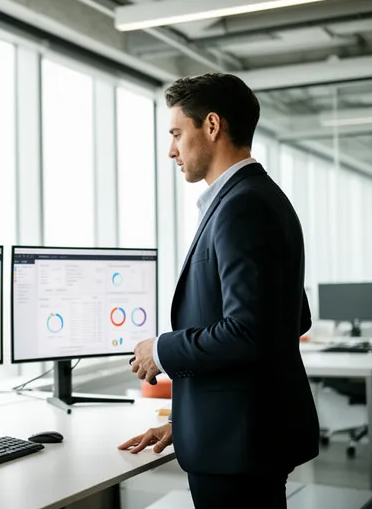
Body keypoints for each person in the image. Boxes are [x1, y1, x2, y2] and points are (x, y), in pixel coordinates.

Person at [119, 73, 320, 508]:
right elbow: (292, 317)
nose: (171, 149)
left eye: (176, 133)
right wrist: (190, 420)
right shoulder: (260, 198)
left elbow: (249, 332)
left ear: (211, 126)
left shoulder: (242, 208)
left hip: (240, 450)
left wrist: (161, 349)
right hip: (239, 434)